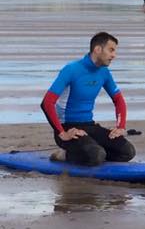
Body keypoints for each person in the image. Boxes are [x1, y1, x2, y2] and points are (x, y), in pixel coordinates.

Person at [39, 32, 136, 166]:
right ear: (97, 49)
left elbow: (119, 100)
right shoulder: (71, 69)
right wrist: (62, 133)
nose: (114, 55)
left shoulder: (104, 72)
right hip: (69, 128)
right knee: (96, 155)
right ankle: (64, 154)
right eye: (111, 50)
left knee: (128, 152)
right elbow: (47, 102)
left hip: (90, 126)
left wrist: (120, 127)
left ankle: (92, 151)